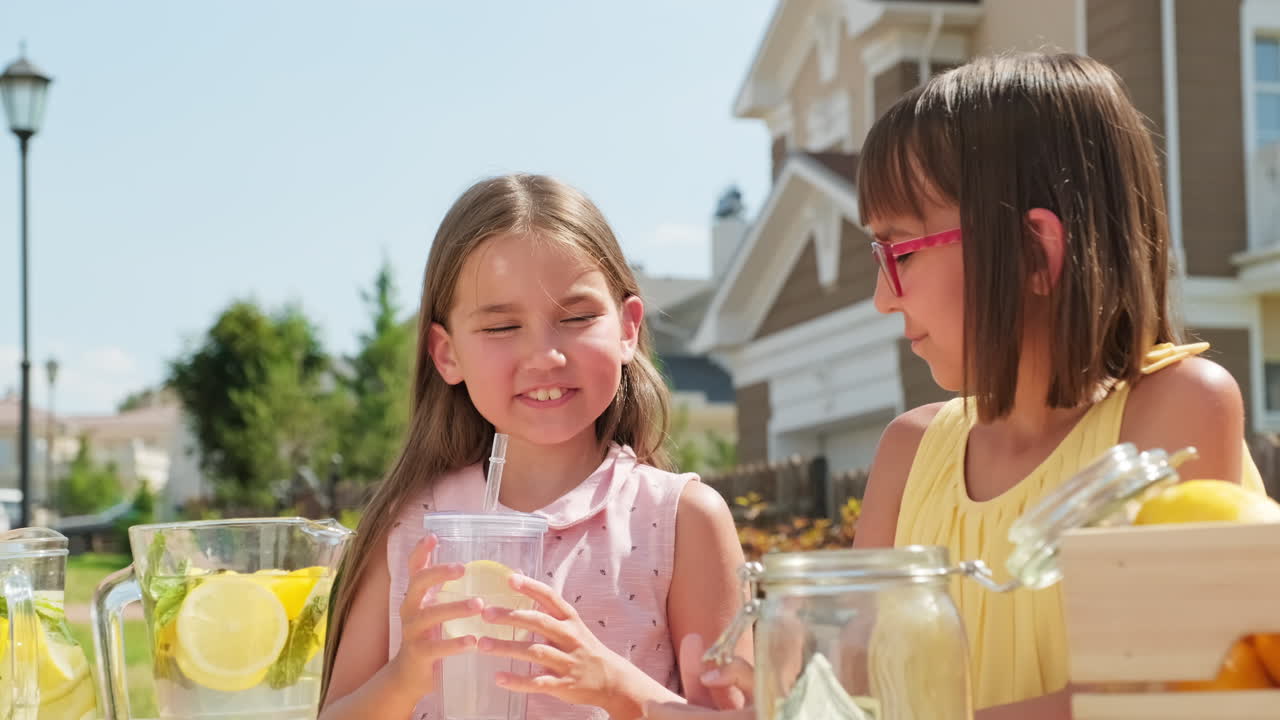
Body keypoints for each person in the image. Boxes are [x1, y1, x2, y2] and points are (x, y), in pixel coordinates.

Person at [648, 51, 1267, 720]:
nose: (884, 298)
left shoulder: (1174, 410)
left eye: (901, 251)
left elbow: (1149, 695)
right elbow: (836, 693)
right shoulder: (909, 451)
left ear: (1035, 251)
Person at [318, 174, 751, 720]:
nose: (544, 355)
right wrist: (406, 676)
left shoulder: (681, 520)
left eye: (576, 318)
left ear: (628, 329)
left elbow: (739, 713)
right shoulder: (410, 527)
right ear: (446, 353)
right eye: (501, 327)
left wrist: (615, 686)